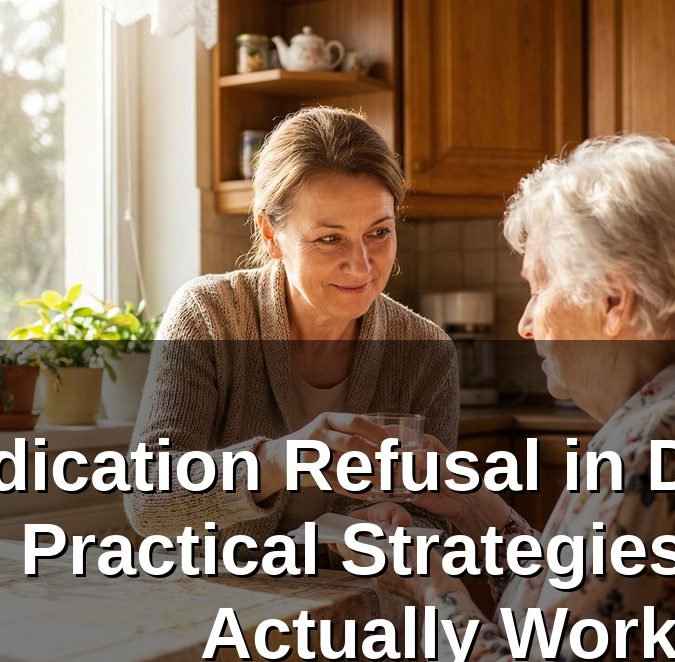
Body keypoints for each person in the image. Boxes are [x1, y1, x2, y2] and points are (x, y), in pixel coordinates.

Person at [363, 135, 675, 662]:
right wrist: (471, 507)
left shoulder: (659, 453)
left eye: (539, 285)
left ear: (614, 301)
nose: (525, 322)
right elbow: (589, 602)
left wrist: (430, 586)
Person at [125, 106, 457, 543]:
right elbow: (149, 499)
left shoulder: (425, 350)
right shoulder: (209, 315)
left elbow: (438, 518)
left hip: (356, 605)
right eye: (329, 238)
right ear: (269, 233)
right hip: (221, 601)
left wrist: (400, 523)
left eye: (379, 233)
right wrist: (284, 459)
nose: (361, 265)